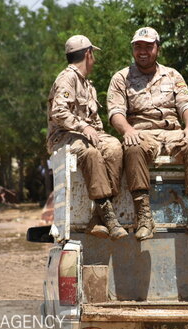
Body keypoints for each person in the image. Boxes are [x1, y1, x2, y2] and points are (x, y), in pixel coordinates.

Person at [107, 27, 188, 241]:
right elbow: (115, 112)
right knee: (133, 147)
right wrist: (127, 130)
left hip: (172, 132)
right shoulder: (121, 77)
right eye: (138, 47)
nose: (143, 51)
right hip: (141, 132)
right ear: (133, 49)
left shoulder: (173, 75)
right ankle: (144, 216)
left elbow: (186, 104)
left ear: (158, 48)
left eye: (148, 46)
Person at [46, 35, 127, 240]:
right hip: (62, 137)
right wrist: (83, 127)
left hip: (84, 135)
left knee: (114, 147)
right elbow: (59, 112)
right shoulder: (67, 78)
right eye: (94, 55)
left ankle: (98, 216)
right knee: (90, 153)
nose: (94, 60)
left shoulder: (88, 85)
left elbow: (96, 123)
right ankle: (108, 215)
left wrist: (97, 132)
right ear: (88, 54)